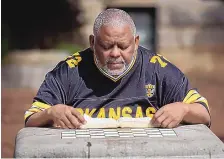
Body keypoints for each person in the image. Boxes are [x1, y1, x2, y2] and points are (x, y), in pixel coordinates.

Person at [24, 8, 210, 129]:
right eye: (106, 46)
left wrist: (183, 109)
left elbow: (203, 114)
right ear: (92, 42)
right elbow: (31, 119)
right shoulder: (70, 70)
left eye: (123, 47)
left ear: (136, 42)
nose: (114, 54)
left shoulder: (157, 69)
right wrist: (51, 112)